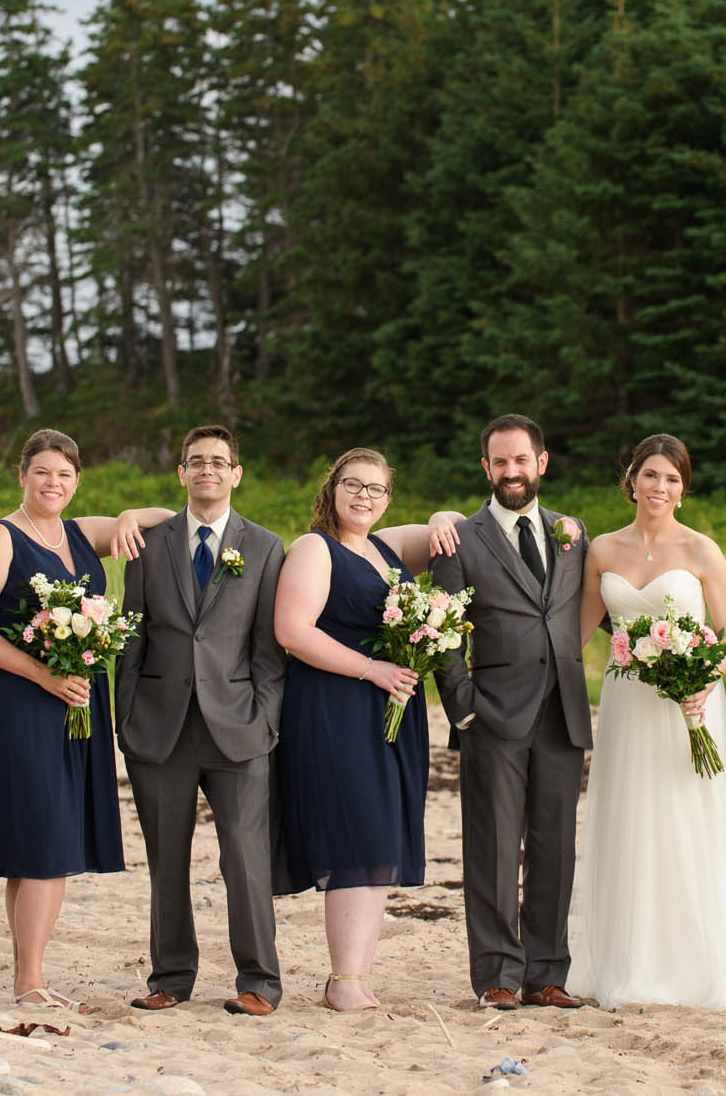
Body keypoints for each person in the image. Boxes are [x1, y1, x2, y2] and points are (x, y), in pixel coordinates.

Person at [0, 429, 167, 1012]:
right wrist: (43, 676)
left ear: (77, 482)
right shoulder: (1, 537)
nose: (53, 483)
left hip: (75, 705)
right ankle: (31, 984)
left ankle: (28, 976)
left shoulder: (82, 533)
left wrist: (126, 514)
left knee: (39, 842)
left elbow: (169, 516)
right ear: (22, 477)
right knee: (44, 841)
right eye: (42, 472)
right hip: (19, 703)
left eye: (64, 475)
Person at [566, 434, 726, 1009]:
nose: (660, 487)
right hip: (627, 701)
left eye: (672, 479)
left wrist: (708, 681)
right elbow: (578, 634)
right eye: (651, 475)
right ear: (631, 478)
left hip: (690, 704)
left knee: (688, 824)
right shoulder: (602, 550)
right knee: (631, 820)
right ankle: (632, 962)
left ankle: (702, 962)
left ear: (684, 490)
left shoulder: (703, 551)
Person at [271, 449, 463, 1012]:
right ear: (331, 489)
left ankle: (354, 975)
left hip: (391, 710)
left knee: (379, 834)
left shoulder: (384, 547)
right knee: (355, 835)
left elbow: (444, 527)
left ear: (387, 498)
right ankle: (344, 980)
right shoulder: (315, 549)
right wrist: (372, 668)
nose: (364, 497)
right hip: (337, 707)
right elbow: (292, 630)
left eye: (376, 489)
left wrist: (443, 517)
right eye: (352, 485)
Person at [116, 425, 286, 1017]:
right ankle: (170, 977)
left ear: (236, 473)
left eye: (218, 461)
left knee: (244, 854)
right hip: (159, 730)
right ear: (181, 474)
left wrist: (266, 720)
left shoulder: (265, 546)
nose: (206, 469)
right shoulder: (149, 543)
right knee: (166, 859)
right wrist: (126, 720)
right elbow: (129, 636)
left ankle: (259, 981)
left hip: (239, 726)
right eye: (195, 462)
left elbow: (268, 649)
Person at [431, 415, 594, 1011]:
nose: (511, 472)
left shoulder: (571, 533)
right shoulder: (459, 539)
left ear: (541, 462)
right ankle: (498, 973)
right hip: (492, 717)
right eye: (500, 463)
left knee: (556, 847)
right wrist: (463, 708)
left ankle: (548, 973)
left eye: (521, 460)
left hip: (563, 716)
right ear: (486, 469)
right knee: (494, 848)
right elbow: (444, 629)